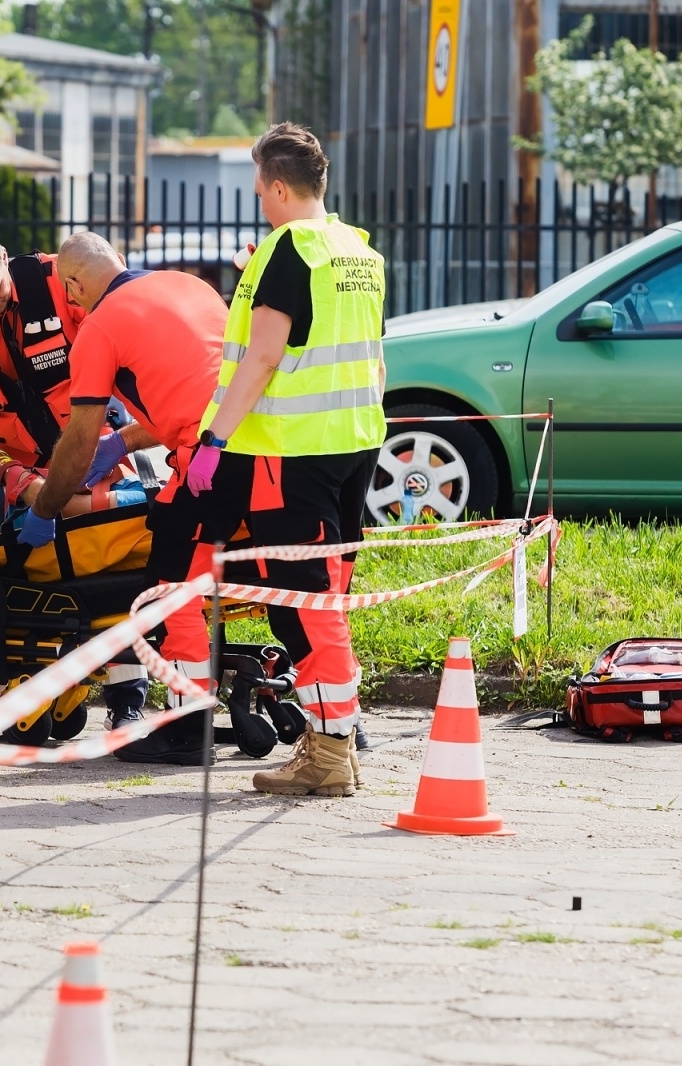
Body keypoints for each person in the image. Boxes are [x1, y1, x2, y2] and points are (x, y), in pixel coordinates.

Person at [187, 123, 387, 797]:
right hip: (354, 443)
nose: (257, 200)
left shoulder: (288, 249)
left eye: (258, 188)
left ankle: (328, 754)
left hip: (289, 454)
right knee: (326, 600)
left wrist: (214, 438)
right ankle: (335, 742)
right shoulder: (357, 250)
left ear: (277, 186)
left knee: (300, 607)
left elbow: (265, 358)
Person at [16, 232, 227, 765]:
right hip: (258, 453)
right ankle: (341, 729)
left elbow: (79, 438)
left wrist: (44, 510)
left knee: (169, 585)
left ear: (72, 286)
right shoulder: (190, 287)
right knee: (296, 587)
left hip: (204, 466)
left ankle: (188, 728)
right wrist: (127, 441)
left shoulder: (99, 328)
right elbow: (192, 389)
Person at [0, 221, 150, 731]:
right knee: (55, 582)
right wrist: (21, 483)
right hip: (23, 473)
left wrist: (128, 434)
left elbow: (124, 343)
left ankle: (126, 700)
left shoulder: (59, 282)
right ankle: (60, 683)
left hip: (97, 458)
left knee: (114, 575)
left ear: (6, 261)